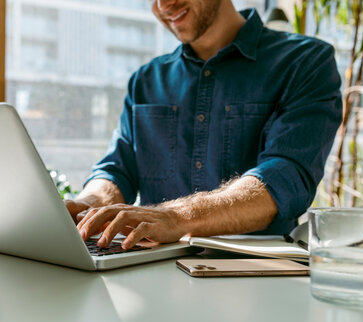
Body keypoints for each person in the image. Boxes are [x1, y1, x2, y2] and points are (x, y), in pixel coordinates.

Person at [65, 0, 342, 250]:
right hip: (148, 270)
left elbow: (285, 177)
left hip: (255, 277)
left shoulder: (305, 62)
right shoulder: (146, 80)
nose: (164, 5)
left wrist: (176, 217)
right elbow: (116, 169)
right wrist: (89, 204)